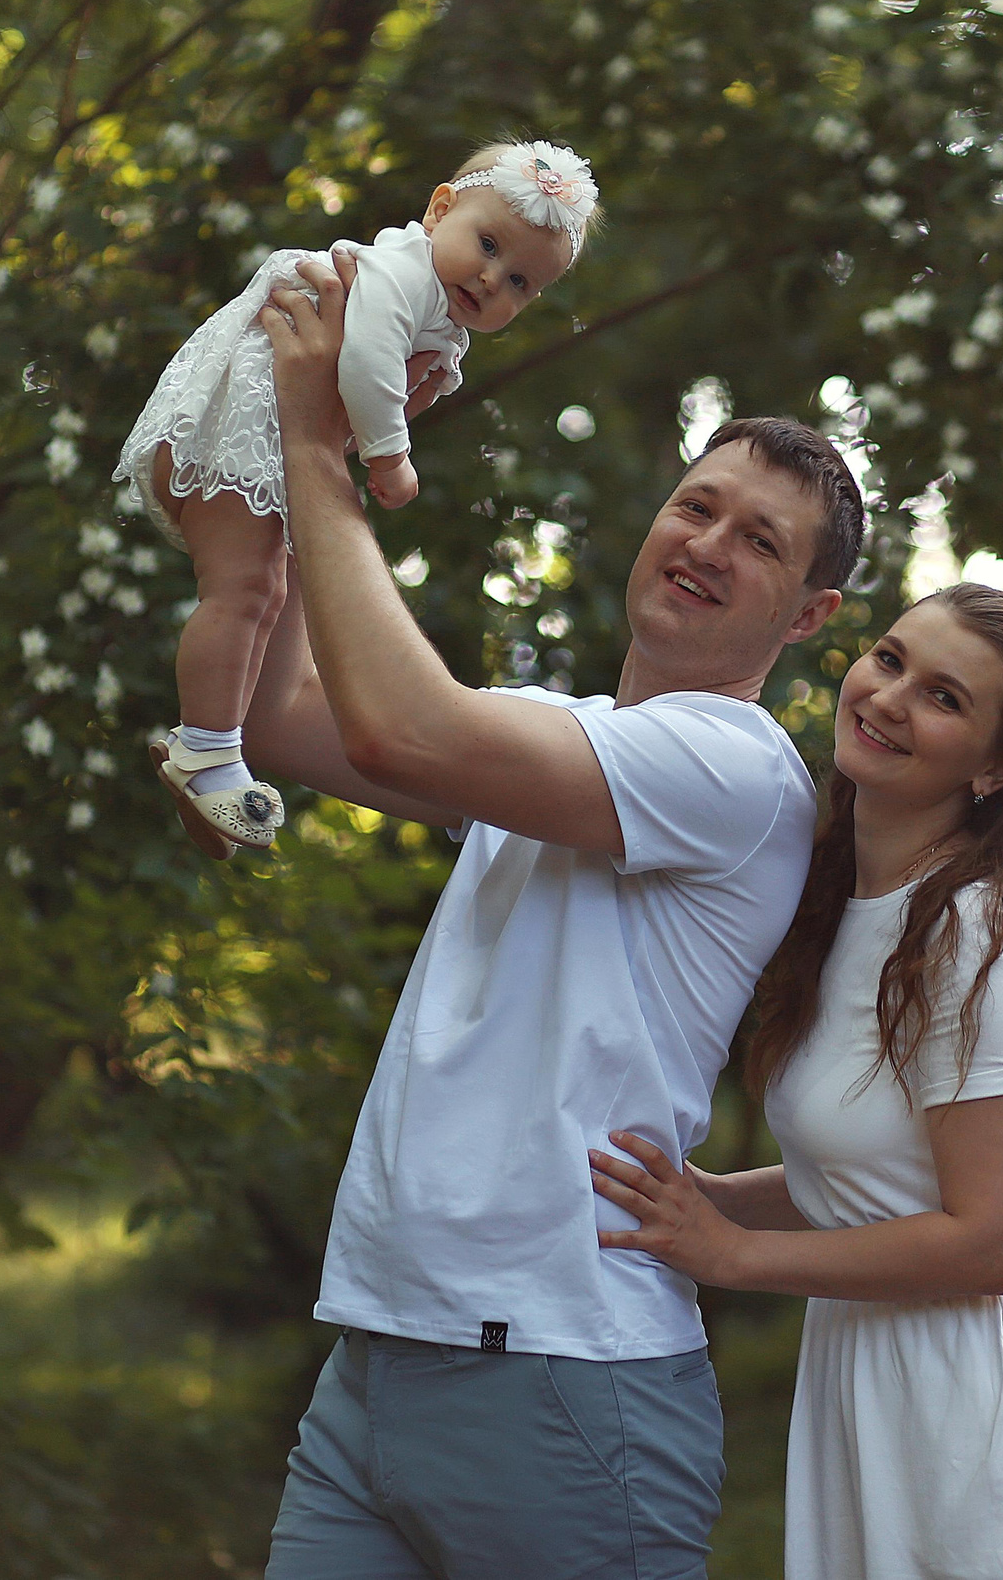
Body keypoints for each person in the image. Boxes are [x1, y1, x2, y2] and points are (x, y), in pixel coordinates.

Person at [237, 247, 864, 1580]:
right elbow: (287, 716)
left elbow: (406, 730)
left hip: (565, 1380)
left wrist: (315, 445)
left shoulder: (738, 770)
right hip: (378, 1359)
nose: (708, 543)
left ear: (809, 614)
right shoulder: (568, 739)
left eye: (760, 541)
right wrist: (299, 456)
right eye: (698, 506)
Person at [589, 583, 1003, 1580]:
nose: (890, 697)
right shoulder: (848, 900)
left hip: (983, 1402)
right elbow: (886, 1174)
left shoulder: (976, 935)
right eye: (891, 659)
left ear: (994, 768)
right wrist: (706, 1203)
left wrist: (732, 1254)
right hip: (883, 1384)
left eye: (945, 698)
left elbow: (990, 1239)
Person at [112, 140, 601, 859]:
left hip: (269, 436)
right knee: (246, 590)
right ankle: (205, 747)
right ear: (440, 209)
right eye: (488, 245)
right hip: (238, 429)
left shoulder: (437, 302)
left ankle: (216, 749)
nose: (494, 278)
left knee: (264, 593)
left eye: (522, 282)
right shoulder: (400, 274)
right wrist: (390, 456)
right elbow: (369, 360)